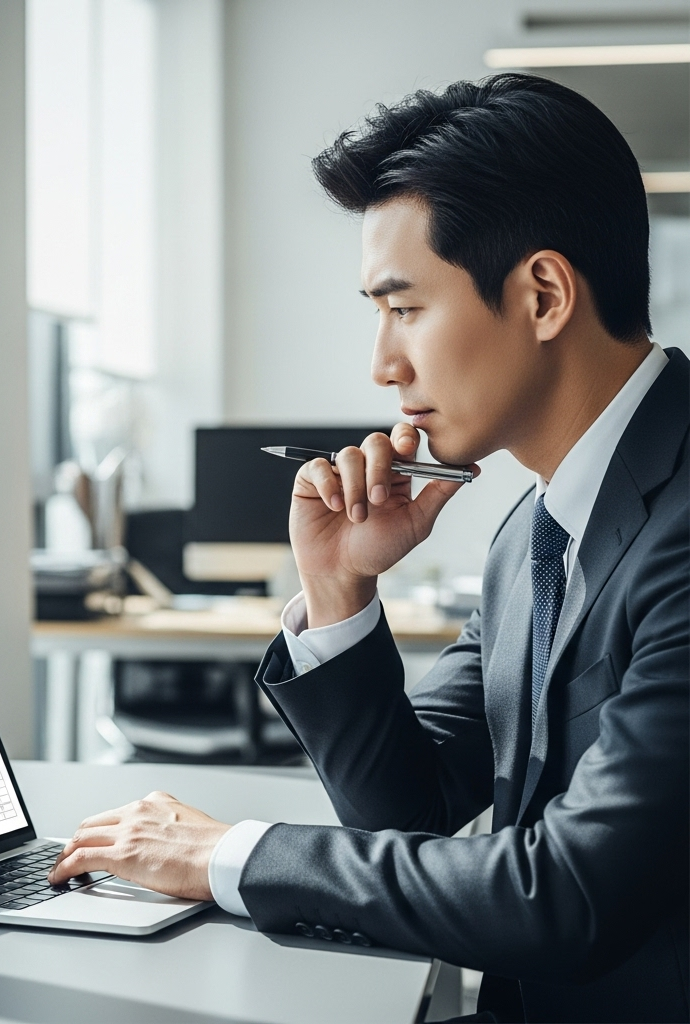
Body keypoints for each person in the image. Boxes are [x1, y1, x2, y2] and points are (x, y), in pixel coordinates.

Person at [48, 74, 689, 1023]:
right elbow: (414, 811)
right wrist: (339, 588)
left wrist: (227, 855)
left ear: (544, 294)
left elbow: (568, 897)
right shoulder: (539, 533)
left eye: (405, 308)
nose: (382, 366)